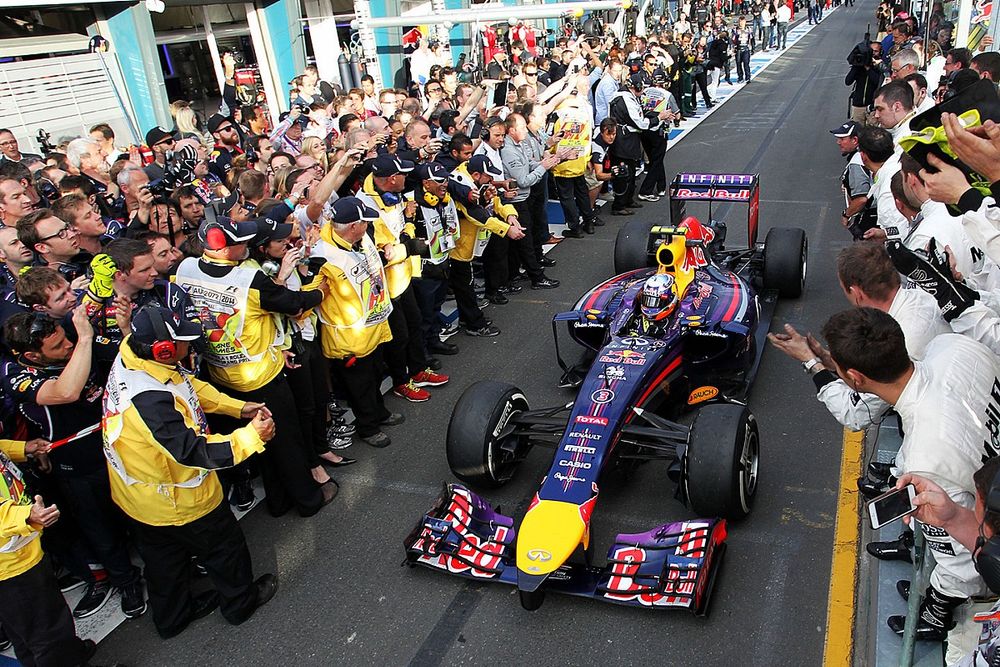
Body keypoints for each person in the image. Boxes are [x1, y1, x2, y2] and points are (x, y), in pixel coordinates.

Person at [820, 307, 999, 647]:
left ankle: (936, 615)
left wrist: (940, 598)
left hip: (988, 536)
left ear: (856, 379)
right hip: (991, 478)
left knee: (950, 572)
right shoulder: (951, 346)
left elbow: (964, 565)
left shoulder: (921, 461)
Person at [103, 305, 279, 638]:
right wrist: (252, 436)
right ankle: (241, 604)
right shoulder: (151, 402)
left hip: (139, 499)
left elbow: (188, 389)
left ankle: (173, 618)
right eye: (183, 340)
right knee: (225, 551)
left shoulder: (134, 357)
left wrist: (237, 407)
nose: (191, 345)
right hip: (181, 498)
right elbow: (193, 452)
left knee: (163, 564)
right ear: (164, 348)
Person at [174, 216, 335, 517]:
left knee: (259, 443)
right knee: (285, 441)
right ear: (223, 250)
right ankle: (308, 500)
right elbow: (293, 304)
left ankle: (277, 502)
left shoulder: (185, 269)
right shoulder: (249, 280)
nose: (247, 245)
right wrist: (320, 292)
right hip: (261, 377)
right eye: (240, 242)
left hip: (220, 374)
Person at [2, 308, 146, 620]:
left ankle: (169, 564)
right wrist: (83, 340)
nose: (67, 345)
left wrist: (122, 328)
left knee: (143, 512)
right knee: (102, 531)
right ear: (31, 355)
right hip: (76, 467)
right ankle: (126, 581)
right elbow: (66, 392)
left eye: (67, 339)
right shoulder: (17, 375)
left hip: (121, 447)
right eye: (57, 346)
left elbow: (132, 353)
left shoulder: (76, 333)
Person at [0, 430, 102, 667]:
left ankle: (70, 653)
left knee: (26, 635)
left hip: (18, 554)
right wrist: (26, 514)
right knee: (48, 635)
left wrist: (23, 448)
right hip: (12, 567)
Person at [308, 197, 401, 448]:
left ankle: (379, 412)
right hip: (349, 337)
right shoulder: (322, 255)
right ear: (353, 226)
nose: (368, 226)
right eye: (365, 222)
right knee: (359, 385)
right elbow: (309, 293)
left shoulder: (356, 239)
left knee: (374, 374)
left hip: (374, 324)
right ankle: (368, 427)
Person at [356, 153, 448, 402]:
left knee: (415, 323)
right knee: (399, 336)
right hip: (384, 286)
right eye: (403, 174)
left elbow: (401, 231)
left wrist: (408, 225)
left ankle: (418, 371)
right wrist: (407, 247)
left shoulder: (394, 195)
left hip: (404, 275)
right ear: (391, 178)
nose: (408, 178)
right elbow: (377, 254)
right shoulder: (366, 206)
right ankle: (401, 381)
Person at [831, 121, 874, 230]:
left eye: (842, 139)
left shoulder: (857, 162)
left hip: (870, 218)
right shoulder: (868, 154)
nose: (838, 142)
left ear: (855, 140)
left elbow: (861, 199)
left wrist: (846, 214)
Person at [845, 42, 885, 124]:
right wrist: (856, 66)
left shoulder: (880, 66)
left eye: (876, 51)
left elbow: (878, 82)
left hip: (872, 107)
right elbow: (848, 81)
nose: (873, 54)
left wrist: (869, 68)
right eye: (871, 51)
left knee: (871, 134)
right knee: (857, 132)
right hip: (858, 106)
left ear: (880, 52)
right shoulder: (859, 66)